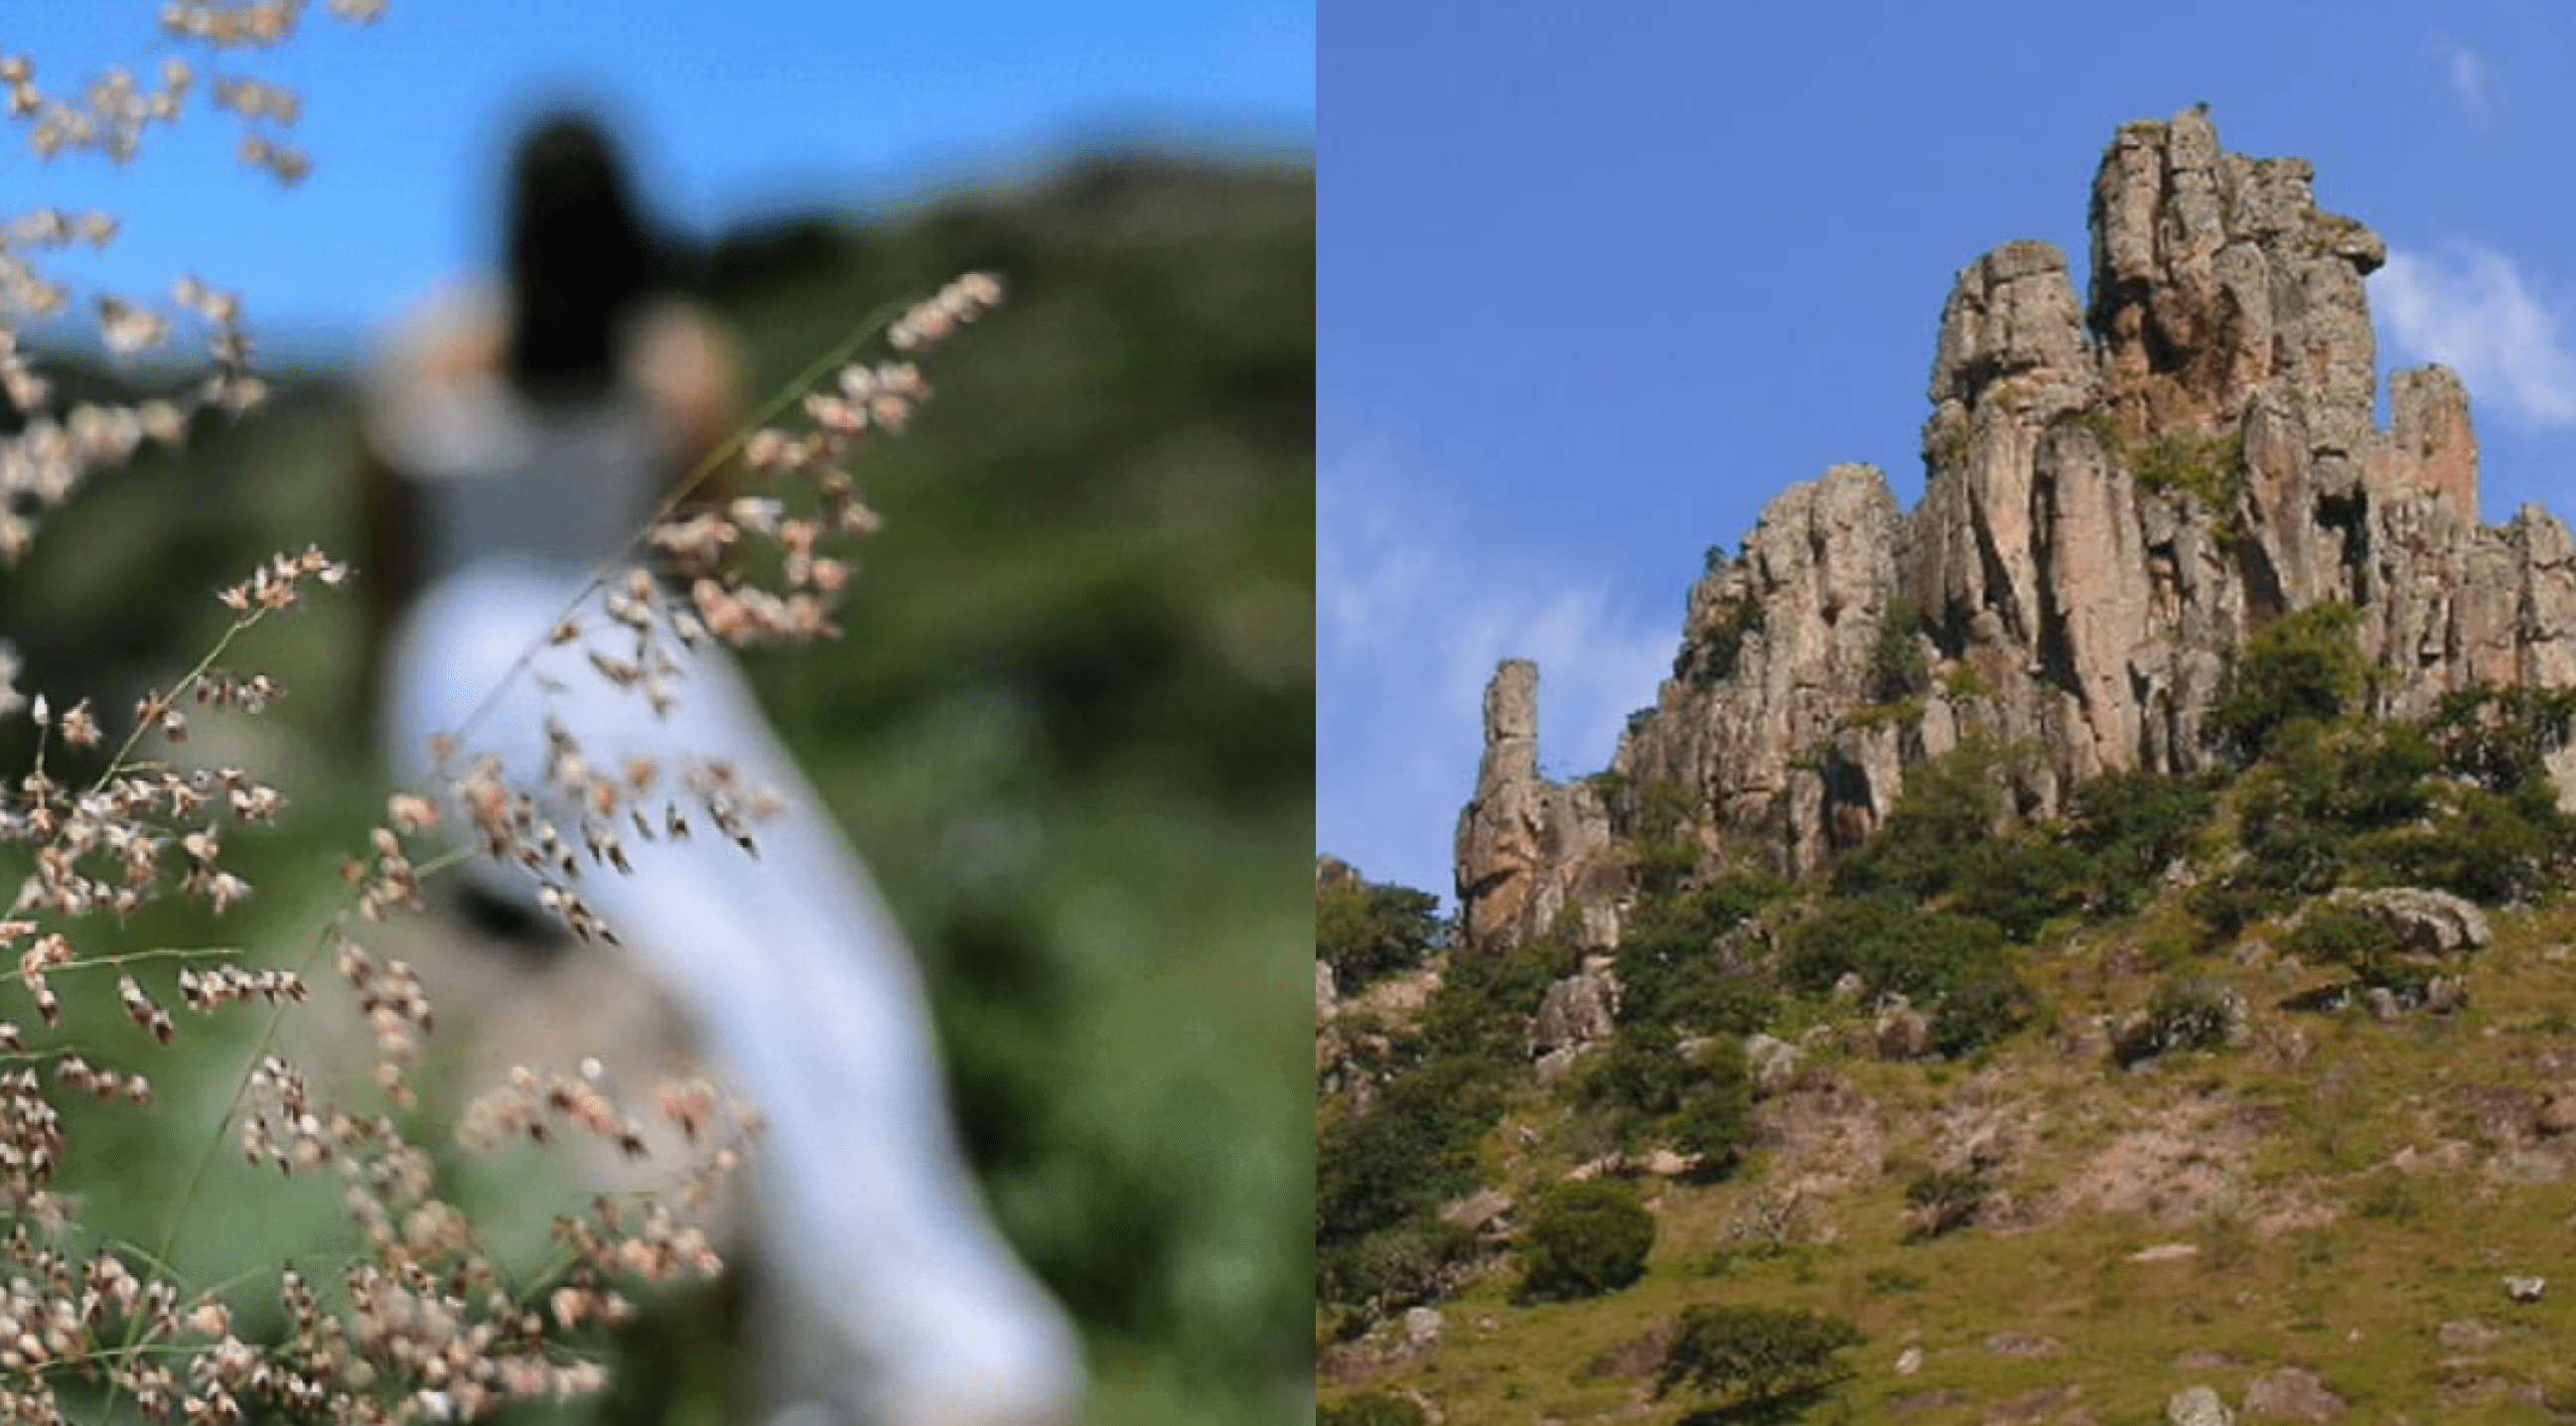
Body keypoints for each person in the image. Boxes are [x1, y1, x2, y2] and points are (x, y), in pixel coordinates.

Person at [356, 109, 1081, 1426]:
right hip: (635, 668)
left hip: (461, 687)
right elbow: (711, 572)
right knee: (805, 956)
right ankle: (877, 1311)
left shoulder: (420, 348)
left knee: (730, 947)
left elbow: (388, 578)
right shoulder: (680, 359)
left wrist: (387, 736)